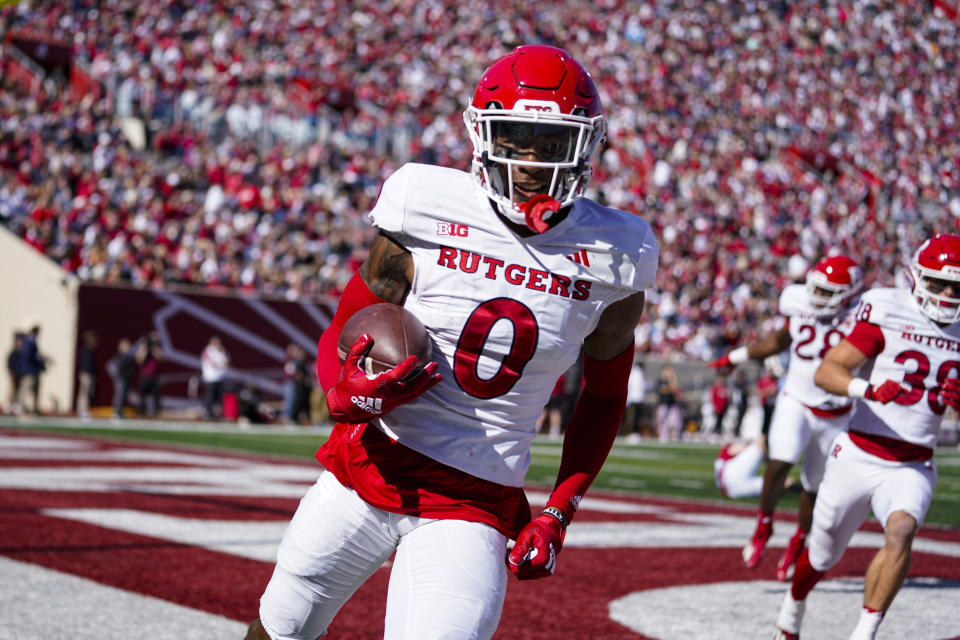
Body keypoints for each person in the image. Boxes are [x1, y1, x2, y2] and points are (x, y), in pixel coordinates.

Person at [245, 45, 658, 640]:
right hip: (367, 466)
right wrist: (342, 395)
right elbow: (348, 321)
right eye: (514, 138)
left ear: (584, 145)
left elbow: (602, 397)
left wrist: (559, 510)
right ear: (483, 134)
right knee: (278, 629)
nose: (529, 163)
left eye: (550, 144)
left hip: (475, 499)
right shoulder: (424, 202)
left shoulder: (618, 256)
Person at [774, 233, 960, 640]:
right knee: (821, 556)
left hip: (913, 461)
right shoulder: (891, 312)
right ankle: (791, 611)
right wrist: (868, 389)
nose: (948, 294)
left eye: (957, 286)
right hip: (858, 453)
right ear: (916, 278)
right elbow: (829, 370)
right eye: (938, 283)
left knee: (902, 530)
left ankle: (864, 633)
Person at [709, 254, 863, 581]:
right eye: (816, 290)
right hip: (796, 400)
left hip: (836, 413)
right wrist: (735, 356)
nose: (818, 298)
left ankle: (799, 540)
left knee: (813, 486)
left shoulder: (863, 316)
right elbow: (780, 339)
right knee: (780, 461)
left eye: (827, 293)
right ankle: (764, 524)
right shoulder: (798, 301)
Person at [15, 321, 47, 415]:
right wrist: (39, 359)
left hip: (34, 371)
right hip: (29, 371)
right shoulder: (29, 341)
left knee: (35, 391)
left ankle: (35, 409)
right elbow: (29, 356)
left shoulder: (30, 341)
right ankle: (20, 408)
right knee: (25, 389)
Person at [201, 335, 229, 420]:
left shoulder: (222, 351)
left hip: (220, 378)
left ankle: (220, 414)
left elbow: (227, 362)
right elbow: (211, 363)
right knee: (210, 397)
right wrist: (220, 364)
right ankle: (208, 414)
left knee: (220, 398)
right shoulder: (208, 351)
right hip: (211, 378)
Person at [135, 332, 163, 417]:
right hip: (144, 376)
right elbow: (139, 360)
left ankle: (156, 412)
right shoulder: (144, 348)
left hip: (154, 376)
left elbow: (161, 357)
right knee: (142, 396)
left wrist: (153, 347)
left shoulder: (157, 348)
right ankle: (141, 412)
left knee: (156, 396)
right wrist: (145, 347)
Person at [109, 338, 136, 419]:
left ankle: (120, 411)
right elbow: (117, 367)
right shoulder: (120, 355)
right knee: (120, 395)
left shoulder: (128, 355)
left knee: (123, 395)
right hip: (121, 378)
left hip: (126, 377)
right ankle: (116, 411)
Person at [655, 364, 683, 442]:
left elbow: (675, 389)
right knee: (661, 420)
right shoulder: (660, 380)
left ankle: (674, 435)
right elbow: (662, 390)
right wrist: (670, 389)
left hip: (672, 403)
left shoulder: (672, 380)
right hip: (662, 403)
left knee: (674, 421)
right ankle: (663, 435)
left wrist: (671, 380)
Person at [623, 356, 647, 440]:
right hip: (634, 398)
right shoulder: (637, 373)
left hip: (635, 398)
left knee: (635, 417)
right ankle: (632, 432)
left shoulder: (636, 373)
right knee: (634, 417)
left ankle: (633, 432)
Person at [76, 330, 98, 418]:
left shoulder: (89, 351)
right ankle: (82, 411)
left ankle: (84, 410)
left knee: (87, 393)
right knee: (84, 393)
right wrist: (89, 373)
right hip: (86, 375)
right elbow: (86, 365)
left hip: (88, 374)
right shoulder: (86, 350)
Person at [6, 331, 24, 414]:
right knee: (12, 391)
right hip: (14, 374)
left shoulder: (21, 353)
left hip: (19, 375)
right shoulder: (13, 353)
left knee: (19, 391)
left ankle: (16, 407)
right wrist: (10, 371)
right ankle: (9, 406)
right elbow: (10, 363)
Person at [709, 372, 730, 436]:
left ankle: (718, 432)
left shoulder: (724, 388)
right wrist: (715, 407)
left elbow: (726, 398)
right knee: (717, 420)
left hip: (723, 408)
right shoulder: (715, 389)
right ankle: (715, 432)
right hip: (717, 408)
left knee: (721, 420)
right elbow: (712, 398)